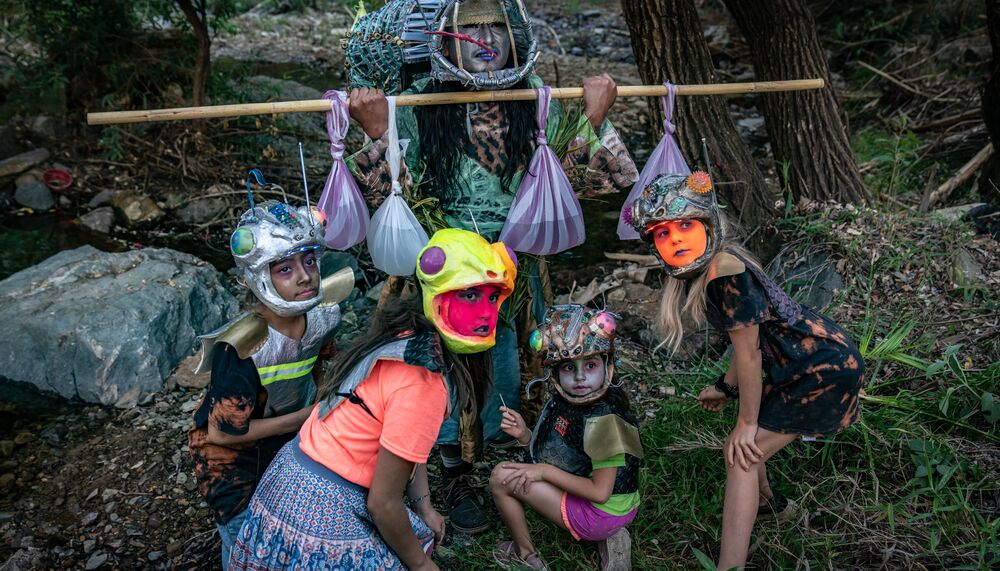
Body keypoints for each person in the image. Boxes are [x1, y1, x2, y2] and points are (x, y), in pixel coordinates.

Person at [347, 0, 638, 533]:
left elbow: (573, 186)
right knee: (446, 371)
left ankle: (522, 458)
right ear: (447, 39)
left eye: (494, 28)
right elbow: (387, 196)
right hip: (448, 272)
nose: (483, 40)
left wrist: (592, 118)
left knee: (508, 365)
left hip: (516, 268)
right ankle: (453, 472)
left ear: (515, 38)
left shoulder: (534, 106)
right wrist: (377, 133)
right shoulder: (416, 106)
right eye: (469, 29)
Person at [228, 228, 518, 570]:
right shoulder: (423, 381)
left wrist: (423, 506)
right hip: (321, 509)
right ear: (436, 295)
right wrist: (422, 566)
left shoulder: (406, 336)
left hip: (288, 483)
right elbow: (383, 504)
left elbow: (407, 445)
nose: (486, 312)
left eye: (491, 297)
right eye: (469, 296)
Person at [627, 172, 866, 569]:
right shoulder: (719, 269)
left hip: (821, 370)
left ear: (708, 224)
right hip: (802, 366)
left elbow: (752, 355)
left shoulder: (727, 274)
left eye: (686, 225)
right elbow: (748, 349)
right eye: (662, 233)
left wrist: (746, 422)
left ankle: (729, 565)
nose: (676, 240)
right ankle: (774, 508)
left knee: (741, 456)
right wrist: (725, 386)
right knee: (746, 450)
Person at [188, 198, 352, 569]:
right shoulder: (246, 346)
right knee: (246, 536)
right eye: (284, 268)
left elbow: (320, 364)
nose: (305, 276)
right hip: (230, 461)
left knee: (290, 523)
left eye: (309, 260)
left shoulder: (323, 316)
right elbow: (222, 433)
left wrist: (324, 407)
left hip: (286, 440)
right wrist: (307, 418)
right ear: (260, 277)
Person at [490, 305, 643, 571]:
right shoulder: (574, 403)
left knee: (500, 477)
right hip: (614, 508)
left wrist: (544, 471)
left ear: (607, 366)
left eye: (591, 365)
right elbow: (569, 453)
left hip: (603, 512)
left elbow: (600, 492)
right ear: (555, 372)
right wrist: (525, 434)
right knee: (523, 474)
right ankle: (608, 538)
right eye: (569, 367)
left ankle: (525, 555)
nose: (580, 377)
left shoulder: (604, 421)